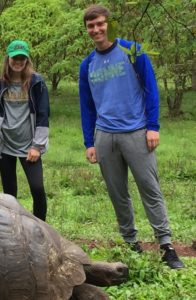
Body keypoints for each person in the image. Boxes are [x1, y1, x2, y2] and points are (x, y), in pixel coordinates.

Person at [79, 5, 184, 269]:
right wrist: (89, 143)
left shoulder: (133, 51)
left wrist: (153, 126)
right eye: (91, 26)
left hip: (137, 132)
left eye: (100, 24)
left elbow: (151, 89)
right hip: (105, 135)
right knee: (118, 193)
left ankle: (166, 245)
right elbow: (86, 106)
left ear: (110, 24)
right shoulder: (86, 65)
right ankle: (131, 243)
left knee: (150, 188)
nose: (96, 30)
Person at [0, 40, 49, 221]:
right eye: (15, 58)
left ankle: (41, 228)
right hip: (4, 145)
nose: (18, 62)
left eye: (22, 58)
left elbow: (43, 115)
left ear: (27, 60)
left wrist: (37, 145)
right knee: (9, 193)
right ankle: (12, 227)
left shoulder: (37, 83)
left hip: (29, 146)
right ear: (8, 59)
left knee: (37, 188)